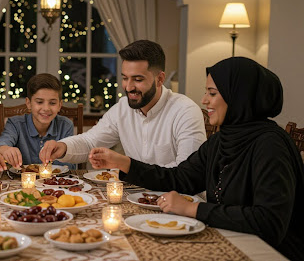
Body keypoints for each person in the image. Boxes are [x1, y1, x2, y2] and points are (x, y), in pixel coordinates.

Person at [88, 57, 304, 260]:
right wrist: (123, 162)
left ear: (238, 96)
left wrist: (193, 209)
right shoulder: (222, 140)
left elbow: (270, 223)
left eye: (212, 93)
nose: (204, 100)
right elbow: (181, 178)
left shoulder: (270, 145)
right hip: (231, 241)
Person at [40, 40, 206, 168]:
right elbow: (91, 141)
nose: (128, 87)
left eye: (138, 79)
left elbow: (187, 171)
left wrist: (126, 165)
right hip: (138, 197)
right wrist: (63, 147)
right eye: (125, 78)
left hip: (180, 203)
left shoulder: (185, 111)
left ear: (160, 79)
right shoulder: (122, 108)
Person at [0, 73, 75, 169]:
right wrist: (5, 148)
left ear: (59, 105)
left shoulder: (66, 125)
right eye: (39, 102)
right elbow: (0, 144)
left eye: (52, 103)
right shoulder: (15, 124)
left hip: (55, 182)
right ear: (28, 103)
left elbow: (70, 165)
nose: (46, 108)